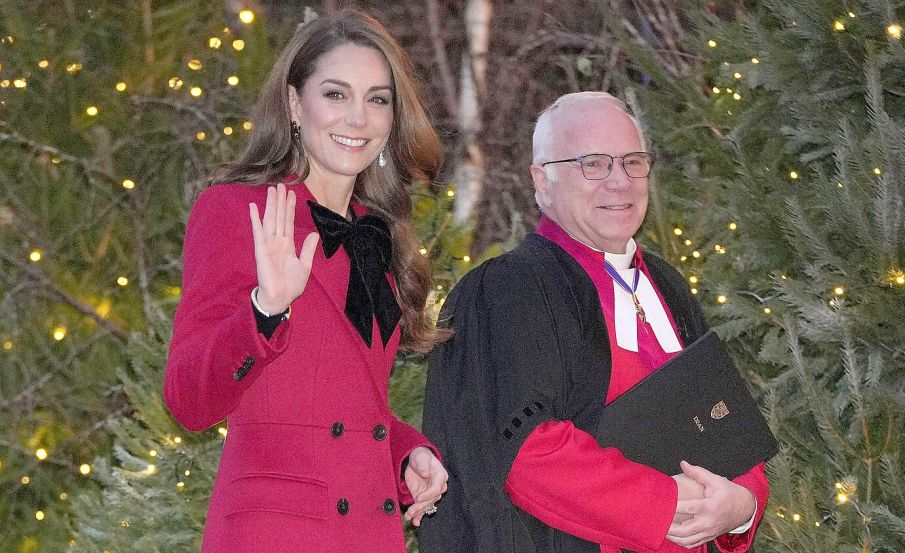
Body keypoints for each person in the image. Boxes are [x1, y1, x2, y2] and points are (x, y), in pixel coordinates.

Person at [420, 92, 769, 553]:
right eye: (593, 164)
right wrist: (667, 502)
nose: (619, 181)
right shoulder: (507, 290)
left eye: (632, 161)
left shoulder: (667, 284)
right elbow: (526, 456)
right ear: (543, 181)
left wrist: (742, 504)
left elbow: (726, 420)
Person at [163, 10, 448, 553]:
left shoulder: (376, 235)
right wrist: (265, 309)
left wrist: (405, 453)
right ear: (295, 104)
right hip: (273, 535)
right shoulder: (236, 210)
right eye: (336, 95)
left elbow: (342, 407)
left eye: (377, 99)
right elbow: (188, 401)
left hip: (369, 536)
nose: (358, 118)